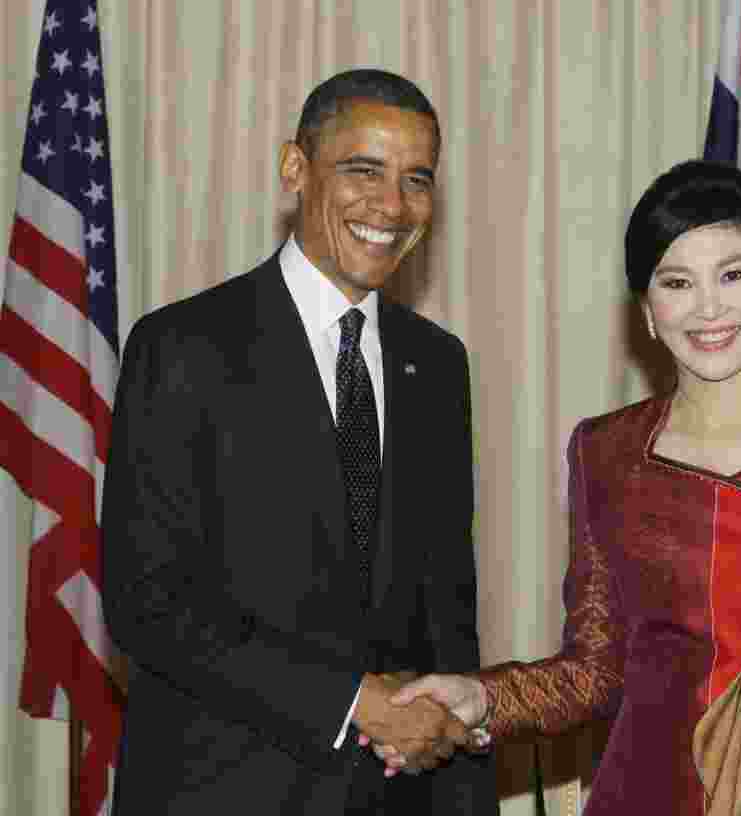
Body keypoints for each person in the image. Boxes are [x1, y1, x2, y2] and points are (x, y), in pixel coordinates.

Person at [378, 160, 741, 814]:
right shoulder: (607, 451)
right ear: (648, 313)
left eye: (734, 274)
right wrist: (481, 698)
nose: (708, 307)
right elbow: (596, 670)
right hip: (652, 793)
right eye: (677, 282)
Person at [101, 69, 496, 815]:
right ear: (295, 169)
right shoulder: (183, 347)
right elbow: (146, 603)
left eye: (417, 179)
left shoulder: (437, 364)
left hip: (394, 798)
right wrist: (352, 702)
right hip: (222, 790)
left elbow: (448, 613)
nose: (392, 205)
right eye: (363, 170)